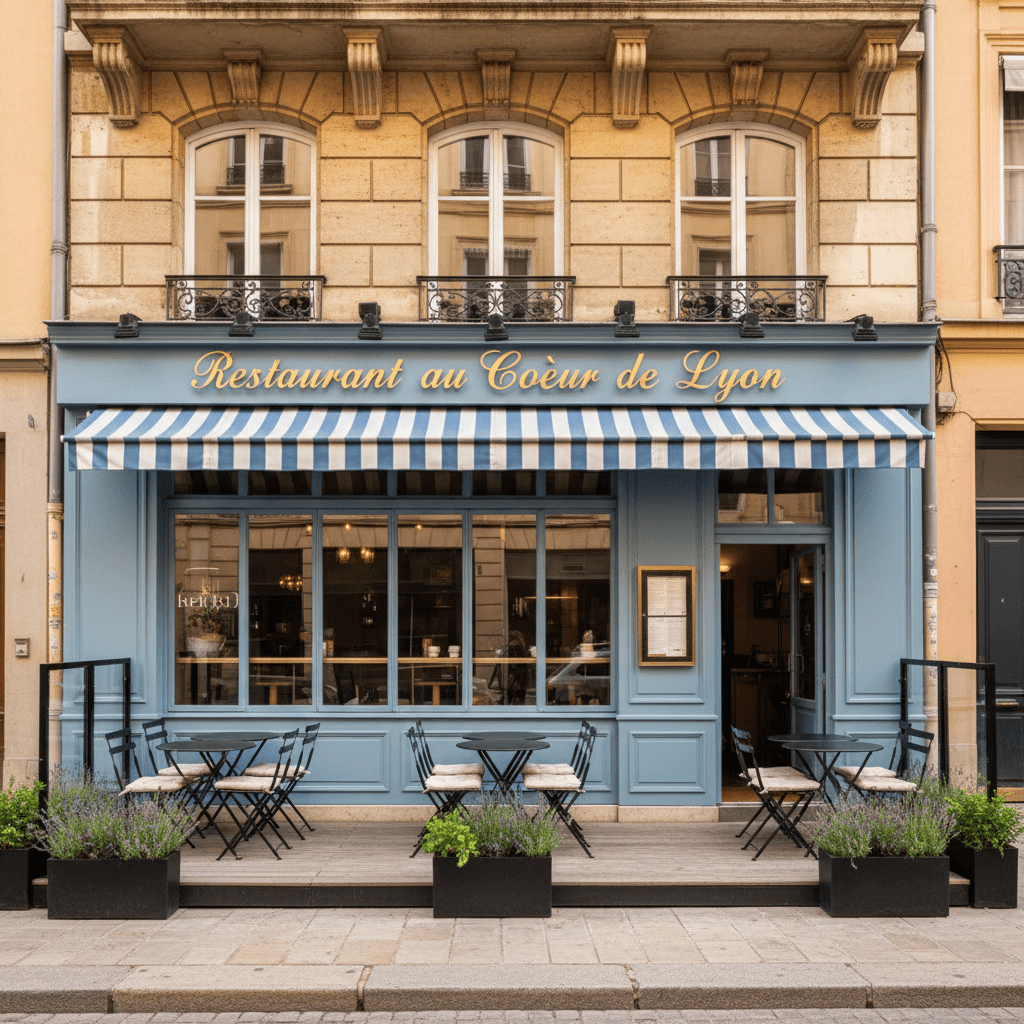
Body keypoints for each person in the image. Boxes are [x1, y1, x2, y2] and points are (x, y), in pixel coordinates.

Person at [488, 630, 531, 704]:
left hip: (512, 673)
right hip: (519, 673)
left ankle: (504, 705)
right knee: (518, 693)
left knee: (511, 692)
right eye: (521, 637)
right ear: (518, 638)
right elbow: (524, 660)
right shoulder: (518, 647)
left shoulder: (509, 646)